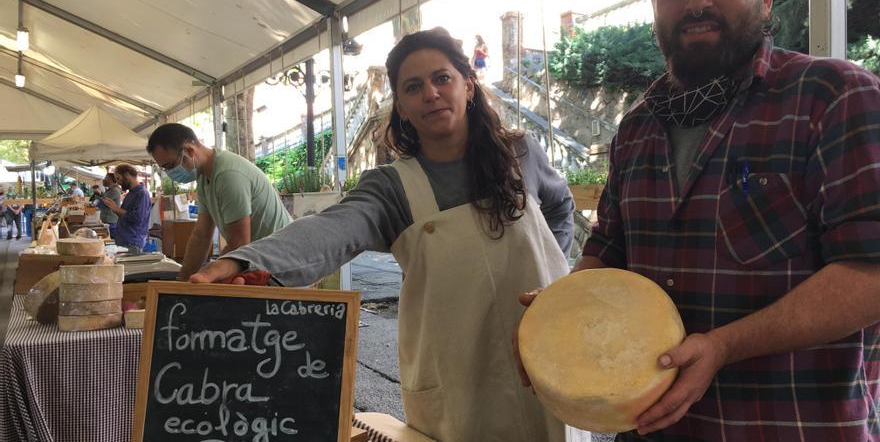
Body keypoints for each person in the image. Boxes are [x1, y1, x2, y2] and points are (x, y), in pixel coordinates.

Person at [517, 0, 880, 440]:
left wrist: (725, 345)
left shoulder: (834, 96)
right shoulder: (637, 128)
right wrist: (561, 316)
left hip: (792, 426)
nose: (698, 1)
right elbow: (610, 251)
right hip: (649, 428)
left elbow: (870, 274)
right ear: (655, 2)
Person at [183, 28, 575, 441]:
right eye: (413, 87)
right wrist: (243, 262)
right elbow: (331, 230)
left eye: (442, 78)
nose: (431, 93)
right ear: (401, 108)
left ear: (469, 86)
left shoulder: (522, 152)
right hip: (455, 371)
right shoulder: (392, 186)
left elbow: (560, 206)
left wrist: (556, 280)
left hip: (540, 351)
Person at [146, 123, 292, 279]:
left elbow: (239, 244)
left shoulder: (228, 175)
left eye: (170, 166)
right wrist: (182, 281)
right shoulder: (204, 177)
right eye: (164, 169)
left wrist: (208, 275)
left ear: (189, 151)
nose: (170, 173)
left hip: (283, 264)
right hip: (260, 261)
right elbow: (201, 236)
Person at [102, 164, 151, 253]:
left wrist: (116, 209)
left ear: (127, 175)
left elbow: (137, 218)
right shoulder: (131, 193)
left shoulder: (142, 193)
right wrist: (115, 209)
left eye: (118, 178)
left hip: (132, 242)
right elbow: (125, 215)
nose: (117, 182)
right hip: (125, 241)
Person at [97, 172, 122, 239]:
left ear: (110, 180)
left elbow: (101, 203)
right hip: (107, 219)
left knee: (111, 241)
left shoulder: (114, 190)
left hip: (111, 220)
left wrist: (100, 198)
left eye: (105, 178)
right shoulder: (110, 190)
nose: (104, 180)